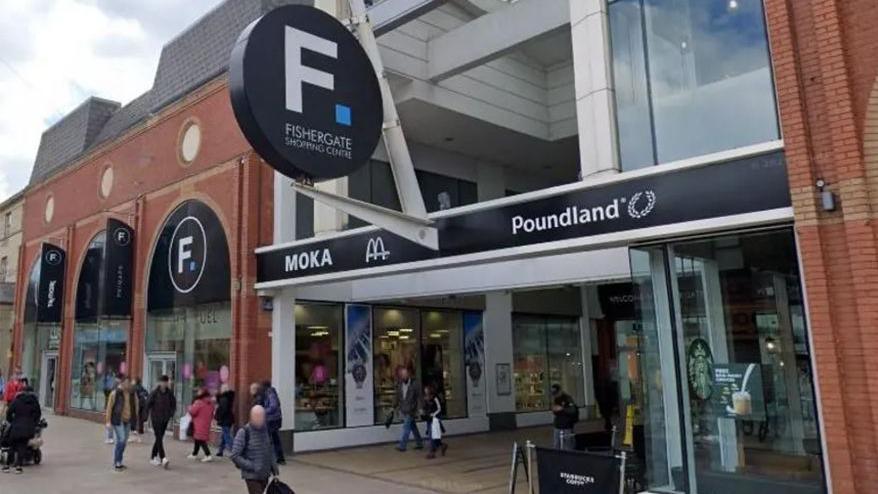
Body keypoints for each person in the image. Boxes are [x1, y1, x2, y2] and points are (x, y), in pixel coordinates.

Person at [231, 405, 278, 494]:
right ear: (251, 417)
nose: (259, 419)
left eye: (261, 416)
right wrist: (252, 466)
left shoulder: (266, 430)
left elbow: (270, 449)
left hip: (265, 474)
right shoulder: (244, 432)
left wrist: (274, 467)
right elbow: (235, 455)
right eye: (256, 416)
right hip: (251, 475)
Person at [2, 385, 41, 474]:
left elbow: (9, 412)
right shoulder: (34, 402)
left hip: (15, 426)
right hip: (27, 428)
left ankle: (7, 466)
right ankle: (18, 467)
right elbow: (38, 415)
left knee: (12, 445)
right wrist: (33, 424)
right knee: (22, 446)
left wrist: (12, 421)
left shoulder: (17, 400)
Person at [105, 374, 138, 471]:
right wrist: (108, 421)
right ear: (122, 383)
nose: (128, 385)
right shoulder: (115, 393)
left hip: (128, 420)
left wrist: (135, 420)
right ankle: (117, 462)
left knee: (123, 442)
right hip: (118, 420)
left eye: (129, 383)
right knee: (122, 439)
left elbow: (136, 406)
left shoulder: (132, 394)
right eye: (126, 383)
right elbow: (109, 408)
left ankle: (119, 460)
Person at [145, 375, 176, 468]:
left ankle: (153, 457)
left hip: (165, 419)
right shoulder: (154, 393)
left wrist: (171, 414)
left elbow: (173, 404)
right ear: (159, 382)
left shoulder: (169, 393)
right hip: (155, 419)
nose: (164, 384)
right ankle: (163, 458)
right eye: (162, 382)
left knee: (159, 438)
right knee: (158, 437)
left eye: (166, 382)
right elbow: (147, 404)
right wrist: (145, 417)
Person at [393, 367, 423, 452]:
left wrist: (420, 408)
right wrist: (393, 406)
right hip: (404, 409)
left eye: (405, 374)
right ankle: (419, 442)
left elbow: (419, 396)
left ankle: (402, 445)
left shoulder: (415, 383)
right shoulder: (399, 384)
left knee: (406, 427)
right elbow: (397, 396)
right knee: (413, 426)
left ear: (408, 374)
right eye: (402, 375)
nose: (404, 376)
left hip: (411, 409)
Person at [187, 387, 216, 462]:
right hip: (206, 423)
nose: (197, 393)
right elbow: (212, 413)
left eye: (199, 391)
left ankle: (208, 454)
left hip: (198, 423)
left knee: (201, 439)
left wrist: (189, 407)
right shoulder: (210, 403)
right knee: (198, 438)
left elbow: (193, 412)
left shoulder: (199, 402)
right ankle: (194, 454)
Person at [261, 380, 285, 465]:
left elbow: (273, 406)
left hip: (272, 419)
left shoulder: (270, 394)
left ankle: (274, 458)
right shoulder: (271, 393)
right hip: (274, 419)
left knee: (270, 439)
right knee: (275, 439)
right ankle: (279, 458)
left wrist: (264, 411)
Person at [551, 384, 579, 450]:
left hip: (567, 425)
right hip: (558, 424)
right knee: (556, 444)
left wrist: (562, 408)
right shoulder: (555, 399)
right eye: (554, 394)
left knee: (568, 444)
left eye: (556, 393)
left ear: (560, 391)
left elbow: (573, 410)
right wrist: (555, 409)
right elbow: (555, 410)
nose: (555, 395)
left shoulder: (567, 398)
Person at [423, 385, 447, 459]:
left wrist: (434, 414)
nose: (425, 392)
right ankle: (442, 445)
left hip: (435, 419)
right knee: (433, 435)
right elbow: (425, 408)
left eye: (427, 391)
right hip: (429, 418)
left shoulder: (435, 398)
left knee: (433, 435)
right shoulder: (426, 399)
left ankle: (432, 452)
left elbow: (439, 408)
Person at [215, 384, 236, 457]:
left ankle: (234, 451)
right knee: (224, 435)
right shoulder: (228, 397)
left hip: (225, 419)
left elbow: (223, 410)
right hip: (228, 418)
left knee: (227, 436)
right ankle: (220, 451)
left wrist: (218, 417)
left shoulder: (224, 398)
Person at [131, 378, 149, 443]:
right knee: (141, 418)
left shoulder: (134, 387)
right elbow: (147, 393)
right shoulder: (142, 387)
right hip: (143, 404)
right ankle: (141, 430)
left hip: (137, 404)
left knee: (136, 417)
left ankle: (135, 429)